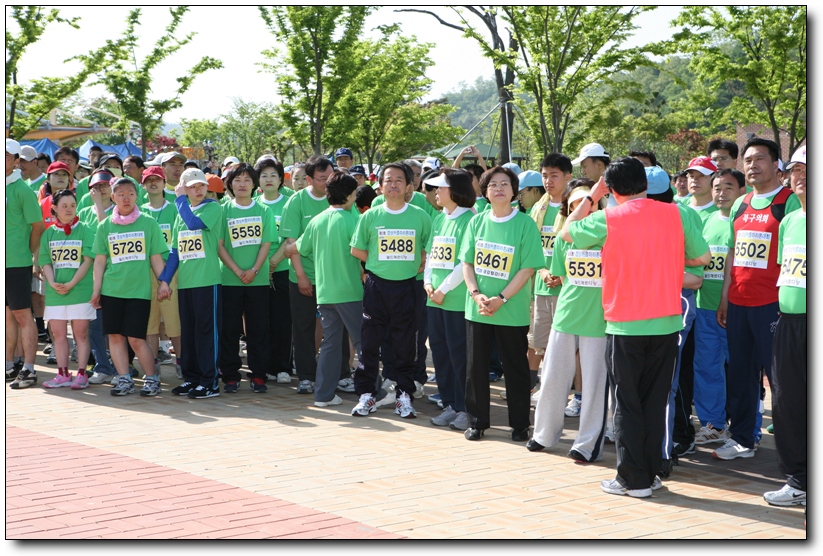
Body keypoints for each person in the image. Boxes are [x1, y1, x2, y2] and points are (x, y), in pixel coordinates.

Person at [561, 156, 710, 497]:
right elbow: (701, 258)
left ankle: (632, 479)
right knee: (654, 403)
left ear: (611, 189)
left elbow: (567, 231)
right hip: (667, 323)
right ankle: (651, 473)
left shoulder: (608, 216)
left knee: (627, 404)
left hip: (626, 325)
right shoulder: (677, 213)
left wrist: (591, 196)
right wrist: (667, 255)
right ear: (645, 183)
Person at [714, 137, 801, 461]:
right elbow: (734, 255)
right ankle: (741, 440)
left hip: (774, 306)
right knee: (739, 374)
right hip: (738, 303)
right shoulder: (740, 203)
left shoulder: (788, 200)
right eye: (747, 160)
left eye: (760, 159)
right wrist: (725, 298)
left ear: (776, 164)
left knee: (781, 381)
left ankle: (793, 449)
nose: (752, 165)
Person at [460, 166, 544, 441]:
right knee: (476, 368)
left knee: (516, 369)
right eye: (492, 184)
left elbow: (528, 268)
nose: (498, 188)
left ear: (514, 191)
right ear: (485, 191)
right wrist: (476, 294)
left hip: (511, 311)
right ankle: (477, 421)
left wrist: (502, 298)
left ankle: (520, 425)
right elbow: (467, 262)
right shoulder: (476, 222)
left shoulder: (525, 224)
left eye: (504, 184)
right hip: (478, 309)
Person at [529, 180, 608, 462]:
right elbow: (560, 275)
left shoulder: (611, 233)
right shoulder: (565, 237)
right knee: (552, 378)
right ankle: (543, 435)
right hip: (566, 315)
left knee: (595, 385)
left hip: (599, 321)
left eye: (588, 203)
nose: (582, 209)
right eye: (575, 205)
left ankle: (586, 444)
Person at [349, 162, 432, 418]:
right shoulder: (370, 216)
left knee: (405, 346)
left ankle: (404, 396)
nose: (393, 184)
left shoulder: (420, 215)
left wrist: (417, 266)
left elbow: (429, 250)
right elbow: (357, 249)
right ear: (380, 185)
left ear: (409, 186)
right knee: (371, 344)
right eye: (388, 180)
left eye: (398, 180)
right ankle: (366, 395)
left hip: (408, 288)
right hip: (376, 287)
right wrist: (376, 264)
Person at [90, 177, 170, 396]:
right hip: (111, 291)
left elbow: (156, 258)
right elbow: (99, 261)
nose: (126, 198)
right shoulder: (105, 225)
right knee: (115, 337)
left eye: (130, 194)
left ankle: (152, 379)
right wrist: (96, 290)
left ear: (137, 196)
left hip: (139, 292)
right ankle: (124, 379)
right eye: (121, 194)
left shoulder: (149, 223)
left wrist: (164, 282)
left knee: (136, 338)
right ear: (113, 197)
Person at [292, 172, 362, 407]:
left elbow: (298, 248)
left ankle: (323, 395)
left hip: (325, 293)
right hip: (351, 293)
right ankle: (376, 392)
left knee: (330, 344)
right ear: (351, 195)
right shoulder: (355, 221)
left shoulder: (317, 220)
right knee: (364, 343)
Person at [763, 145, 806, 507]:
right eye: (796, 170)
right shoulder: (791, 220)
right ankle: (798, 481)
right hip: (789, 325)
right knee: (788, 403)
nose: (802, 177)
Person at [691, 169, 745, 446]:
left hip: (736, 309)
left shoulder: (743, 222)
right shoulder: (706, 221)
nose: (721, 193)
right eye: (716, 188)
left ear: (741, 191)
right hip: (704, 308)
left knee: (739, 370)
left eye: (728, 187)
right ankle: (713, 424)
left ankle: (746, 427)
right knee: (707, 368)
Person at [163, 168, 225, 399]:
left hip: (207, 282)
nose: (198, 190)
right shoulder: (182, 212)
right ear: (184, 188)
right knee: (188, 332)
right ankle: (193, 379)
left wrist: (179, 198)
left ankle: (210, 382)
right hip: (186, 284)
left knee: (206, 332)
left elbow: (194, 224)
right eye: (192, 187)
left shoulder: (213, 207)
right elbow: (174, 252)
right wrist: (164, 280)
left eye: (201, 185)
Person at [423, 169, 476, 430]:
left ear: (455, 190)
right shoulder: (439, 219)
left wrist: (443, 289)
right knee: (441, 354)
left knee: (459, 356)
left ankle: (464, 408)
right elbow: (432, 256)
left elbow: (464, 263)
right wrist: (428, 283)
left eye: (441, 188)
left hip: (456, 301)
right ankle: (449, 405)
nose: (436, 192)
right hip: (436, 299)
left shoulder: (471, 220)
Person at [216, 163, 275, 394]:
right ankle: (230, 374)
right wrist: (238, 271)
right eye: (237, 180)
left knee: (258, 330)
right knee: (229, 330)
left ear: (254, 185)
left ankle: (259, 375)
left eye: (247, 180)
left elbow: (266, 244)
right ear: (230, 184)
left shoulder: (264, 211)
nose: (242, 184)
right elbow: (220, 246)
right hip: (229, 280)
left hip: (257, 280)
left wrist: (254, 270)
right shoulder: (223, 211)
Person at [281, 155, 336, 394]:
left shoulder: (339, 199)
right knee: (303, 328)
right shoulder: (296, 202)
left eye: (331, 177)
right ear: (310, 179)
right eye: (323, 178)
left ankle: (341, 374)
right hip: (303, 276)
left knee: (336, 327)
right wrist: (301, 276)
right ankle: (306, 376)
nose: (328, 182)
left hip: (333, 278)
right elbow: (291, 243)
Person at [39, 190, 95, 390]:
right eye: (64, 206)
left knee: (80, 334)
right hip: (56, 293)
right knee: (58, 333)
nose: (69, 209)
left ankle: (81, 374)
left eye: (72, 205)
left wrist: (71, 284)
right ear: (54, 209)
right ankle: (62, 374)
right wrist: (52, 283)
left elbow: (88, 261)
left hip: (80, 291)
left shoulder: (86, 229)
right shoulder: (49, 233)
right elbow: (45, 261)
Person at [528, 154, 571, 405]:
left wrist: (561, 273)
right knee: (536, 342)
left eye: (554, 175)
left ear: (567, 177)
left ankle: (566, 393)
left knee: (564, 347)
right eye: (544, 175)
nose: (548, 181)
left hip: (567, 289)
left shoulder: (575, 205)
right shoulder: (538, 207)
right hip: (541, 286)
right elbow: (532, 247)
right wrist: (543, 271)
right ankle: (533, 387)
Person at [6, 139, 46, 388]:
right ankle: (10, 364)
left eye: (6, 156)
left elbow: (38, 227)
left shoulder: (23, 190)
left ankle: (30, 368)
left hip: (17, 263)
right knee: (8, 316)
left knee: (22, 315)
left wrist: (27, 252)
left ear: (16, 161)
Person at [140, 166, 183, 379]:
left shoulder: (175, 208)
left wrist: (168, 273)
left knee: (174, 322)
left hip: (171, 271)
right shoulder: (139, 211)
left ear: (165, 183)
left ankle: (182, 363)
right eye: (149, 180)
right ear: (143, 185)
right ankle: (152, 364)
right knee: (150, 322)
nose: (153, 183)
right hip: (145, 274)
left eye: (157, 179)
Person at [254, 157, 292, 385]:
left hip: (282, 269)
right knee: (261, 320)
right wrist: (261, 266)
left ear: (280, 180)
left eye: (273, 175)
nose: (268, 179)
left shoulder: (288, 203)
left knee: (282, 320)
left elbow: (290, 237)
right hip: (256, 270)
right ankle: (264, 366)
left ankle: (283, 367)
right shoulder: (253, 204)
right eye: (264, 175)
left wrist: (273, 264)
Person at [78, 170, 118, 385]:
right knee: (93, 326)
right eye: (96, 186)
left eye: (104, 185)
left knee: (112, 326)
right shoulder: (83, 212)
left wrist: (99, 205)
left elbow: (107, 233)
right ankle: (103, 366)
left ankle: (121, 367)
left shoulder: (118, 211)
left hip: (112, 275)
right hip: (87, 276)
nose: (100, 189)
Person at [685, 156, 719, 223]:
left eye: (701, 175)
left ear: (714, 179)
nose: (694, 180)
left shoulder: (722, 210)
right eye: (691, 176)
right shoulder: (680, 209)